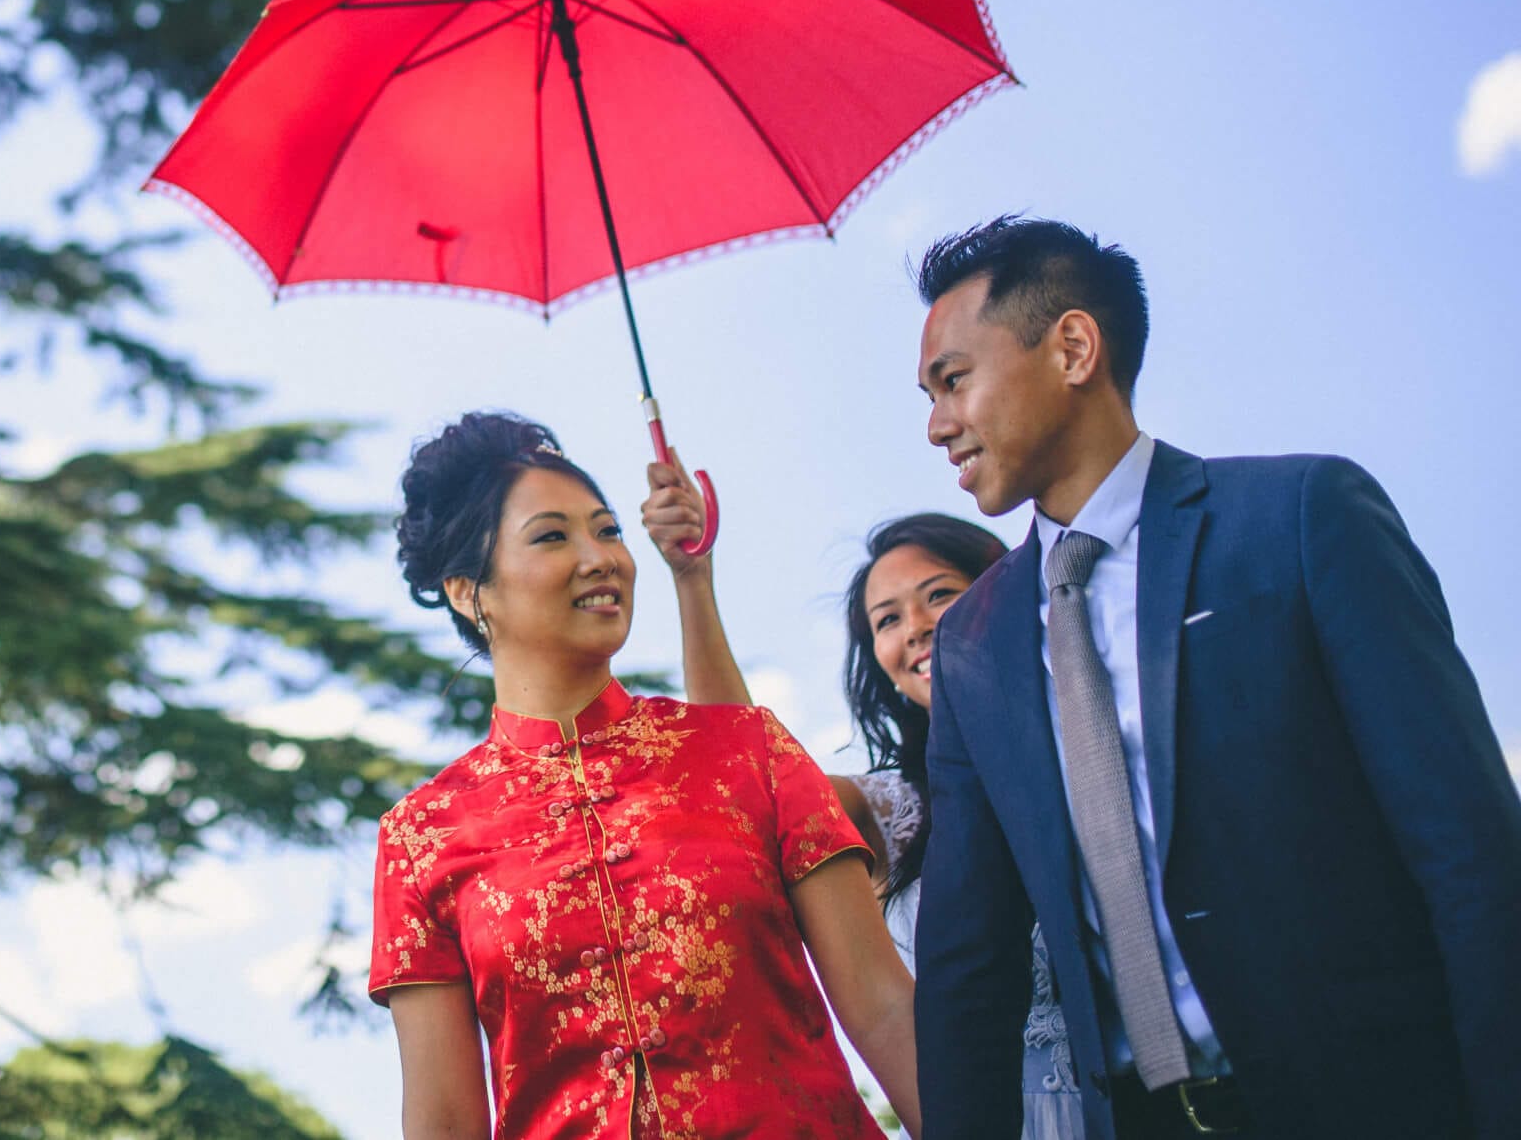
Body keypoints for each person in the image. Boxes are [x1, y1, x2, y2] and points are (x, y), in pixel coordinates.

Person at [909, 216, 1521, 1140]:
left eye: (953, 380)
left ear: (1073, 346)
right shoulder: (972, 647)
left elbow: (1471, 853)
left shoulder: (1304, 519)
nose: (936, 424)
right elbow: (967, 969)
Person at [368, 412, 919, 1140]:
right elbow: (443, 1121)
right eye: (553, 536)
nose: (600, 557)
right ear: (470, 591)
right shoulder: (421, 836)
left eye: (608, 529)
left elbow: (884, 1009)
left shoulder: (747, 748)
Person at [646, 491, 1083, 1140]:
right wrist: (692, 580)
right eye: (886, 619)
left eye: (938, 594)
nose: (915, 627)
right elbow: (745, 772)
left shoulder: (1102, 752)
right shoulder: (892, 808)